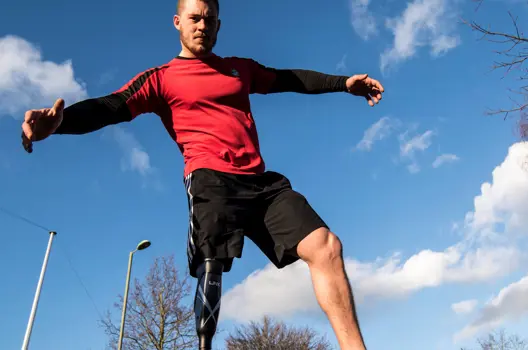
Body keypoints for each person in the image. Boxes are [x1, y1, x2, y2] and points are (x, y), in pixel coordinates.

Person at [21, 0, 384, 348]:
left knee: (326, 247)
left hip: (261, 182)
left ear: (219, 26)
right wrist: (61, 123)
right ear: (177, 22)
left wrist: (342, 83)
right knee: (211, 268)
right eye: (194, 18)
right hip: (211, 178)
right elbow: (111, 106)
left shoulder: (238, 68)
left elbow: (289, 78)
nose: (202, 26)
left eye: (209, 20)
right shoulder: (160, 78)